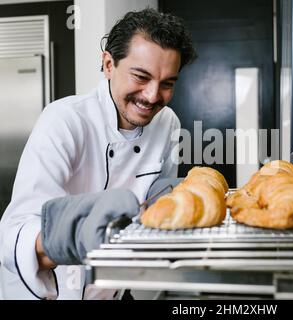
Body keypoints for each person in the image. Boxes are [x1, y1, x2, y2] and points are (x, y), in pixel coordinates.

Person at [0, 8, 197, 300]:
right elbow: (14, 235)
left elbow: (151, 211)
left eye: (167, 83)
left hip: (110, 290)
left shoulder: (168, 123)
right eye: (141, 77)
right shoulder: (64, 120)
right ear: (108, 64)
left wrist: (166, 198)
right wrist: (73, 236)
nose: (153, 96)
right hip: (47, 292)